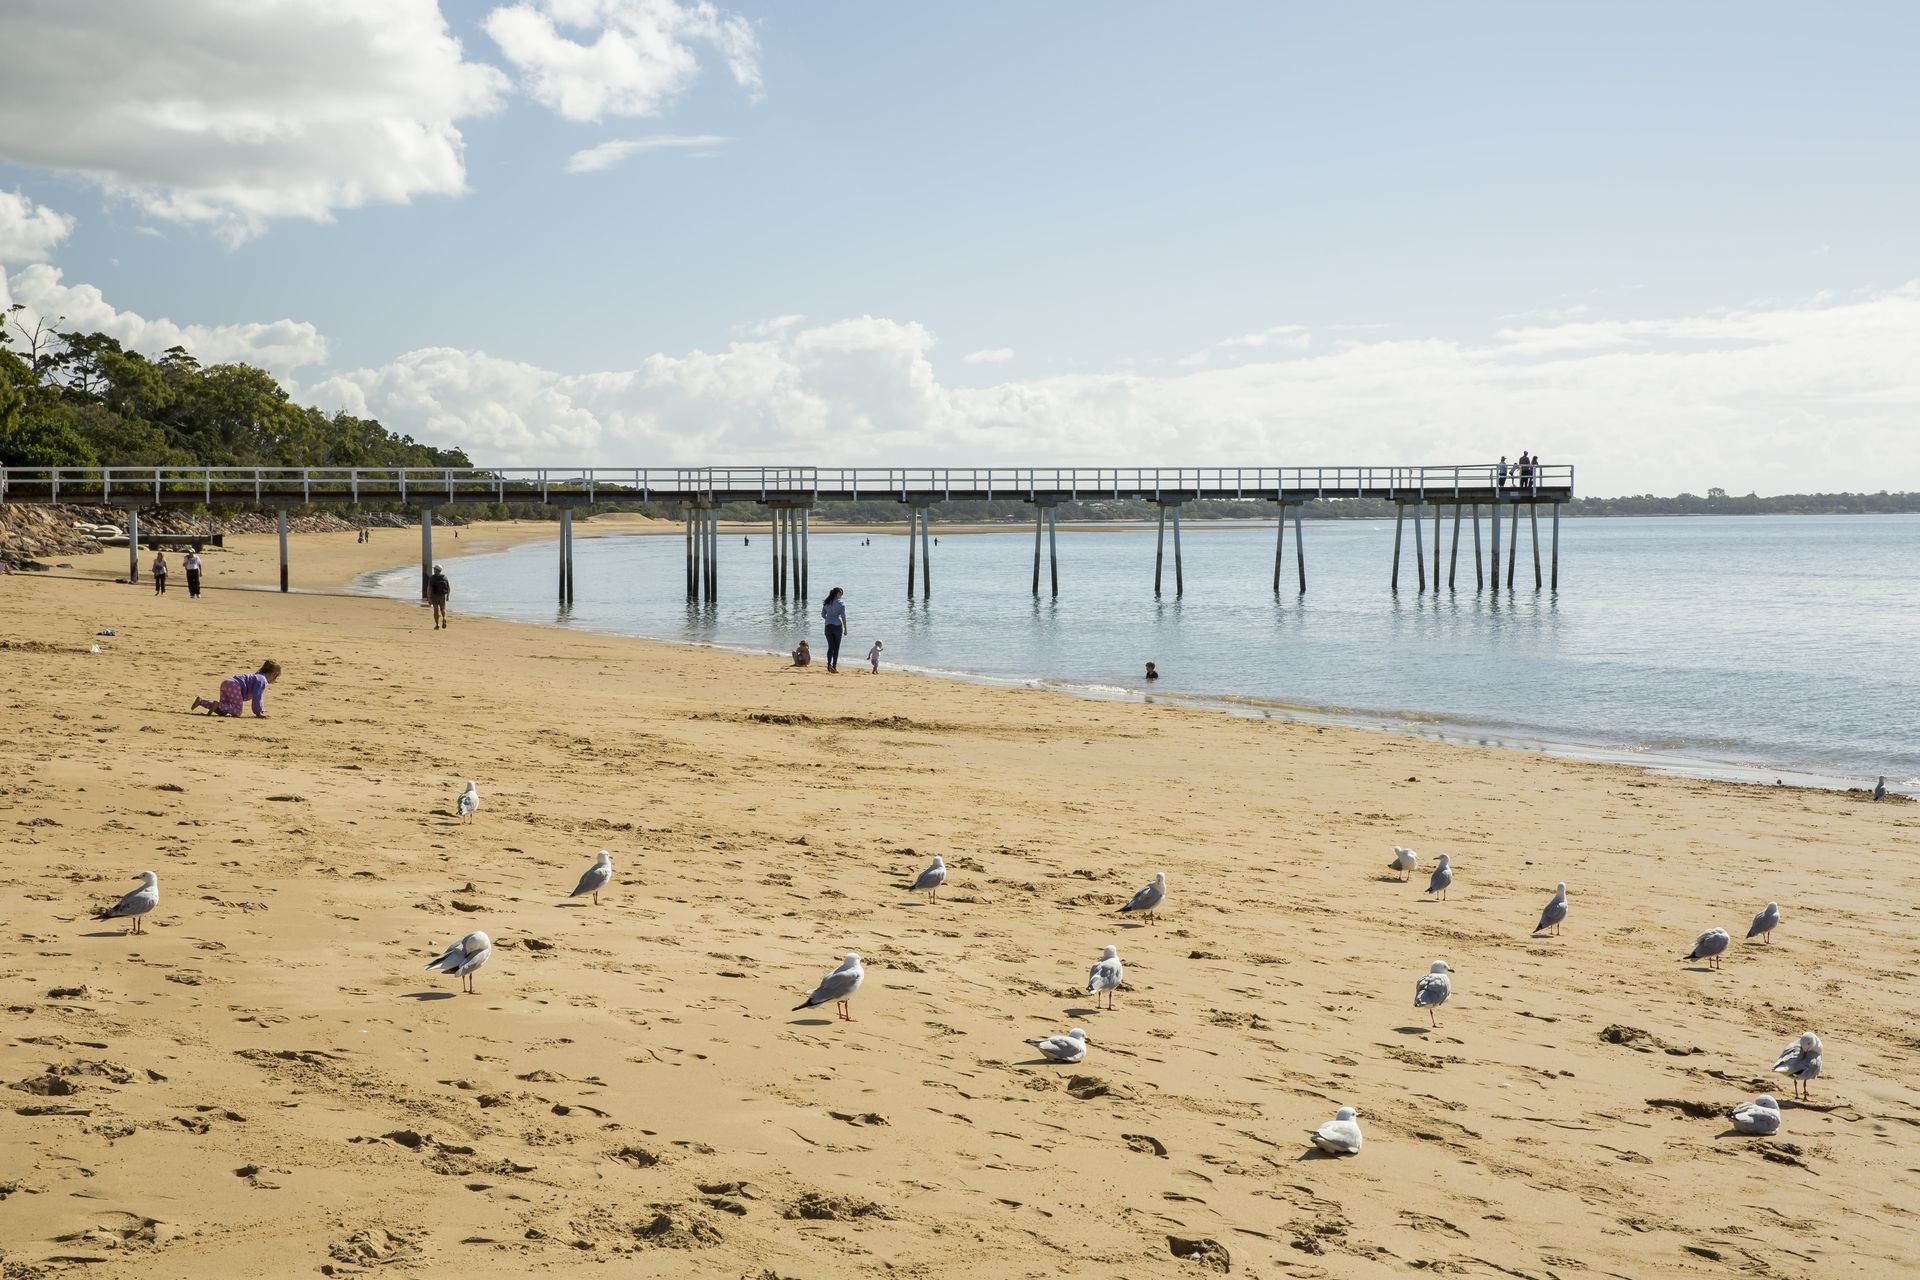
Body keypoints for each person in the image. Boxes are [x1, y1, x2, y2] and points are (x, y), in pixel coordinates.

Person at [192, 659, 281, 718]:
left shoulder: (256, 676)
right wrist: (259, 712)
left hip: (226, 683)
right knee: (237, 711)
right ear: (274, 674)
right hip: (235, 686)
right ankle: (218, 705)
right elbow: (257, 697)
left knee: (223, 711)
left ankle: (201, 701)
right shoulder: (262, 680)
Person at [821, 586, 848, 672]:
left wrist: (828, 619)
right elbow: (843, 616)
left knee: (830, 646)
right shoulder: (841, 603)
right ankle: (834, 666)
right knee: (836, 648)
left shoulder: (826, 602)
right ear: (837, 594)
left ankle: (828, 665)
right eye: (841, 594)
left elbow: (822, 615)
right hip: (837, 626)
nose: (841, 596)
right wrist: (846, 629)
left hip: (828, 626)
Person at [428, 564, 452, 629]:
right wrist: (447, 596)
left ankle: (437, 624)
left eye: (434, 569)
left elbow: (429, 589)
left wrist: (429, 598)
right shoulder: (445, 577)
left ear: (435, 570)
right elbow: (449, 588)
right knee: (443, 609)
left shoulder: (432, 578)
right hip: (442, 596)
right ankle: (444, 618)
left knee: (436, 610)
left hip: (434, 596)